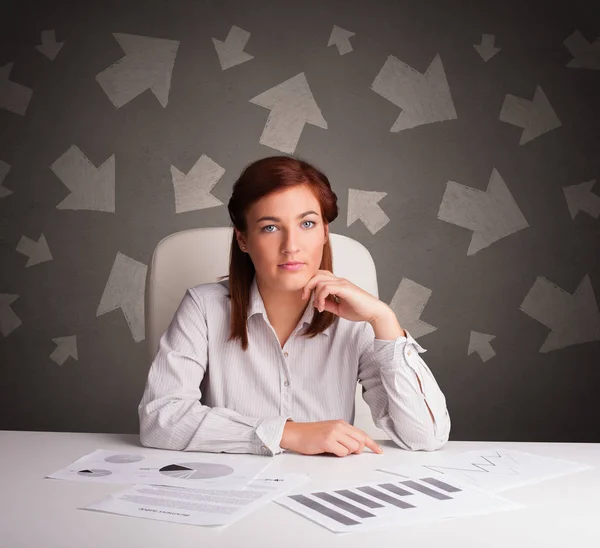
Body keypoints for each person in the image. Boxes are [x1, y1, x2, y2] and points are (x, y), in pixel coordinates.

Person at [138, 155, 450, 458]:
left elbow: (426, 436)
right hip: (231, 489)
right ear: (244, 239)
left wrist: (384, 319)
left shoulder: (358, 318)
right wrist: (289, 433)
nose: (291, 246)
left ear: (325, 233)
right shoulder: (203, 308)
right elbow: (160, 419)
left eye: (308, 223)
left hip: (326, 491)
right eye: (270, 228)